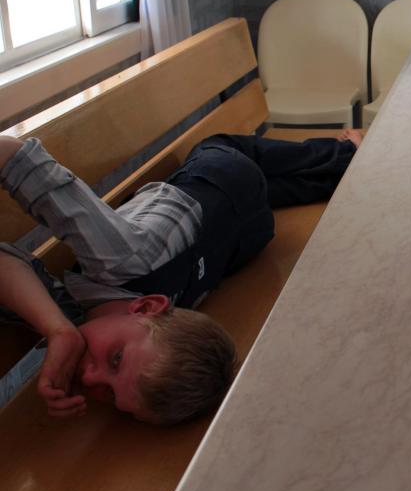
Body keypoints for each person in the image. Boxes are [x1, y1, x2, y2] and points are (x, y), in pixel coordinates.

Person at [0, 129, 362, 424]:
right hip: (224, 172)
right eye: (115, 359)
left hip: (251, 235)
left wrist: (56, 328)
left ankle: (339, 163)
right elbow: (16, 157)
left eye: (108, 394)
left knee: (280, 191)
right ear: (146, 306)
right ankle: (347, 150)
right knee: (271, 158)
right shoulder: (124, 259)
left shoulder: (75, 322)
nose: (91, 378)